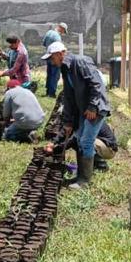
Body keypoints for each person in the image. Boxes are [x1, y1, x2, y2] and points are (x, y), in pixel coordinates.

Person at [42, 41, 111, 189]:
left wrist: (93, 107)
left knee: (86, 141)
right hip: (84, 109)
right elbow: (69, 97)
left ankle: (84, 181)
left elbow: (97, 84)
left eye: (52, 58)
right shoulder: (65, 69)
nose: (51, 62)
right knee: (80, 139)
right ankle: (82, 174)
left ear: (60, 54)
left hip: (96, 108)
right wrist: (67, 122)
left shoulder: (80, 62)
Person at [45, 121, 118, 171]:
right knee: (79, 142)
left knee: (82, 141)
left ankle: (101, 165)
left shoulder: (87, 118)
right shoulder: (77, 116)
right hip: (101, 144)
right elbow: (65, 130)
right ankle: (91, 164)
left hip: (109, 149)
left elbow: (73, 140)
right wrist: (53, 142)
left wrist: (55, 150)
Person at [42, 23, 67, 97]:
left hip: (48, 56)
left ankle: (47, 91)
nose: (63, 33)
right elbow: (59, 49)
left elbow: (43, 43)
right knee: (55, 75)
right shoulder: (57, 37)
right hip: (55, 58)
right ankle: (52, 93)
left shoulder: (49, 32)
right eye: (64, 31)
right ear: (61, 28)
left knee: (49, 74)